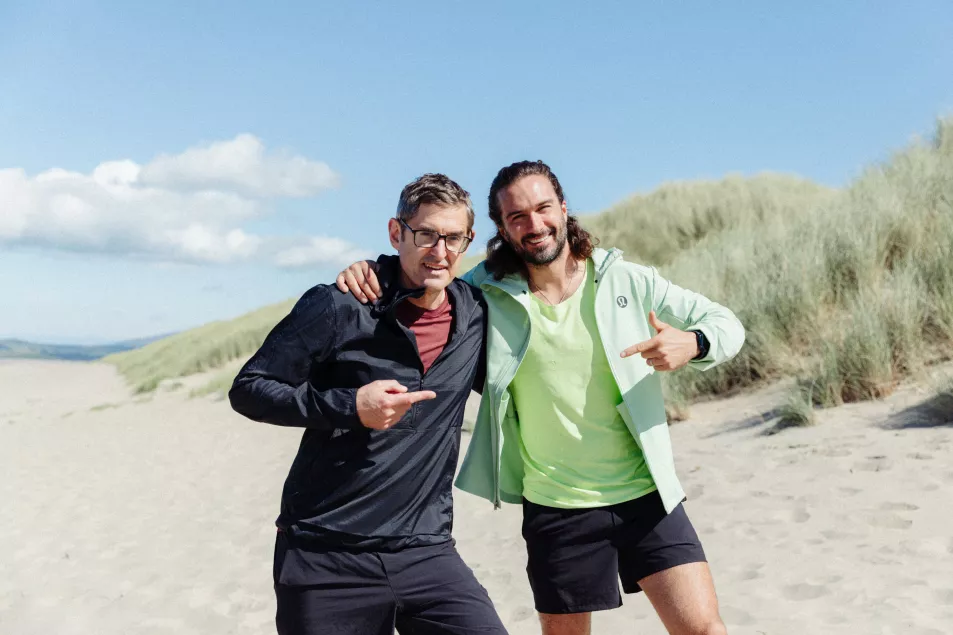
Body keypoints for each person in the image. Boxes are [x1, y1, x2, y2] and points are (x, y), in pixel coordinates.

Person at [336, 160, 746, 635]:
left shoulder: (626, 281)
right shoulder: (483, 294)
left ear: (564, 208)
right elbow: (422, 283)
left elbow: (726, 324)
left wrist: (694, 343)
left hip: (647, 495)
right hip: (557, 507)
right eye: (517, 217)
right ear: (502, 229)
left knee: (705, 630)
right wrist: (374, 269)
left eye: (543, 208)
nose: (534, 225)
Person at [230, 173, 508, 635]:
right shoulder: (340, 305)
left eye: (453, 238)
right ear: (397, 233)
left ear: (468, 240)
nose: (440, 252)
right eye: (426, 235)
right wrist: (348, 406)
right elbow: (250, 387)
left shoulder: (476, 314)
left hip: (426, 550)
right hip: (325, 554)